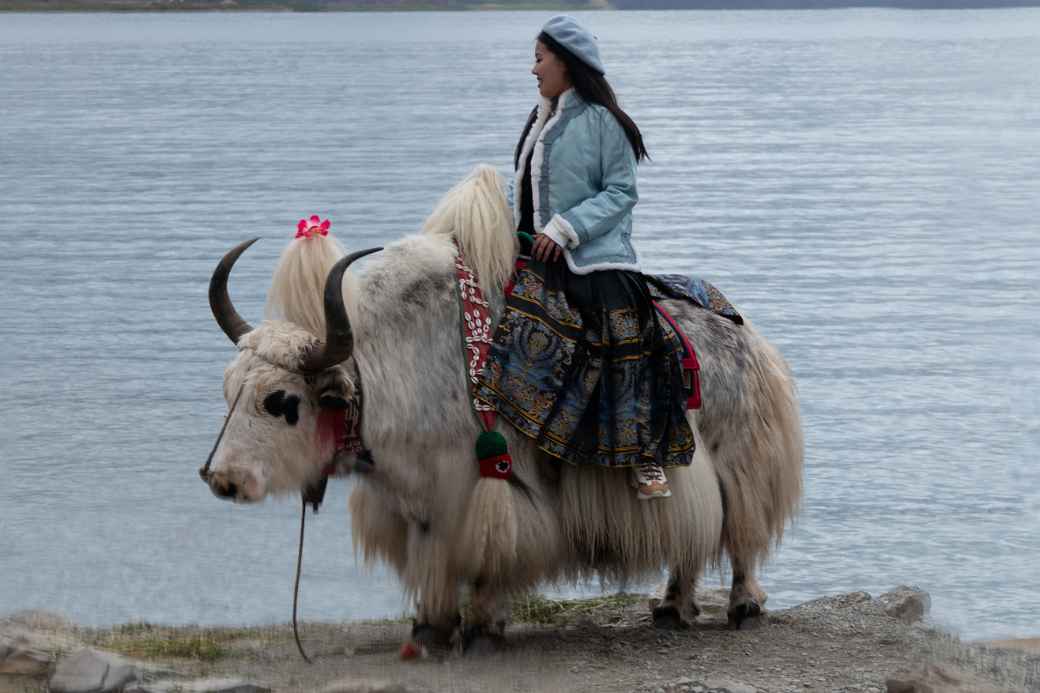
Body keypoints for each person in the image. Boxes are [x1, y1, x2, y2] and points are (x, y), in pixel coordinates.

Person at [474, 15, 695, 500]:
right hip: (534, 255)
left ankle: (645, 456)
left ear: (566, 64)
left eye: (538, 59)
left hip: (598, 257)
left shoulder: (603, 122)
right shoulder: (540, 118)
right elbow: (525, 193)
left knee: (624, 337)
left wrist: (566, 228)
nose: (533, 71)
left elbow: (621, 192)